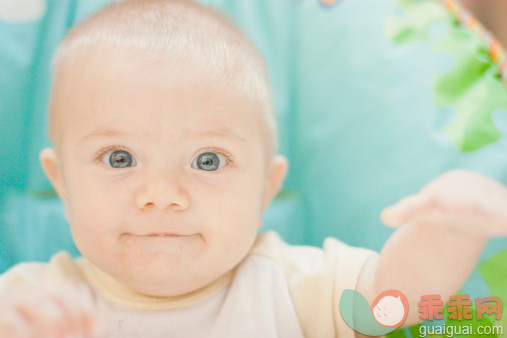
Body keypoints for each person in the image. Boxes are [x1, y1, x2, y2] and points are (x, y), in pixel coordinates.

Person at [0, 0, 506, 336]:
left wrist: (450, 230)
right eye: (119, 158)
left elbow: (397, 302)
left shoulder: (291, 283)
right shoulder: (31, 301)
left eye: (208, 160)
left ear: (266, 188)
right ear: (61, 183)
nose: (161, 193)